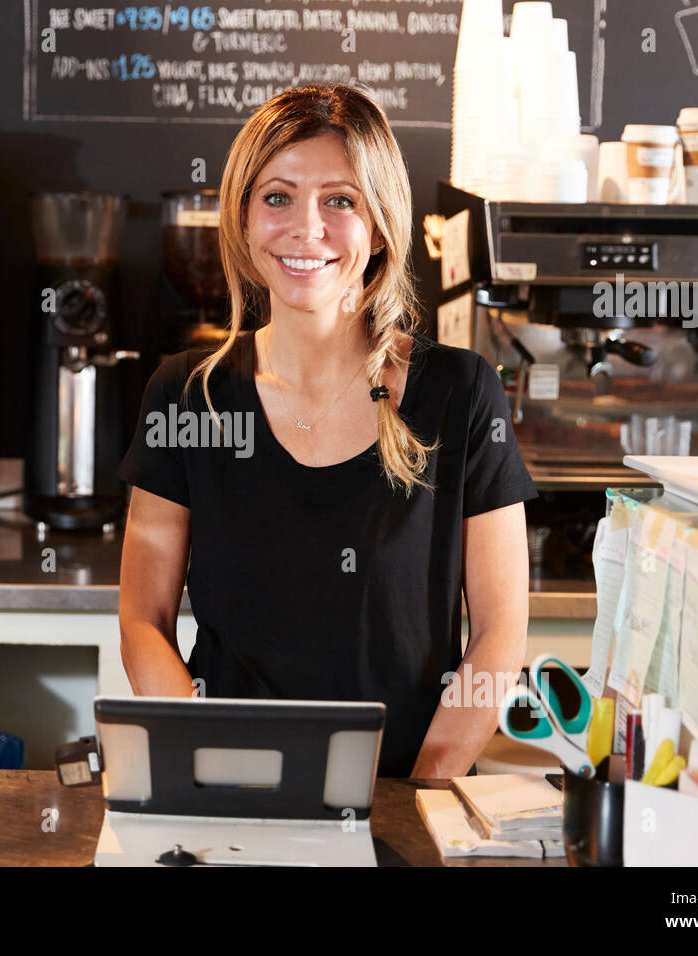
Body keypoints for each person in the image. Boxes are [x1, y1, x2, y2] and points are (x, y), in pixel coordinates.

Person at [117, 84, 536, 778]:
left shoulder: (459, 394)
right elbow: (143, 620)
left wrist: (421, 796)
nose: (306, 228)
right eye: (277, 197)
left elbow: (498, 637)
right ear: (244, 218)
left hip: (405, 790)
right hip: (232, 789)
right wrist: (206, 761)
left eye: (340, 200)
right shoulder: (189, 397)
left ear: (379, 225)